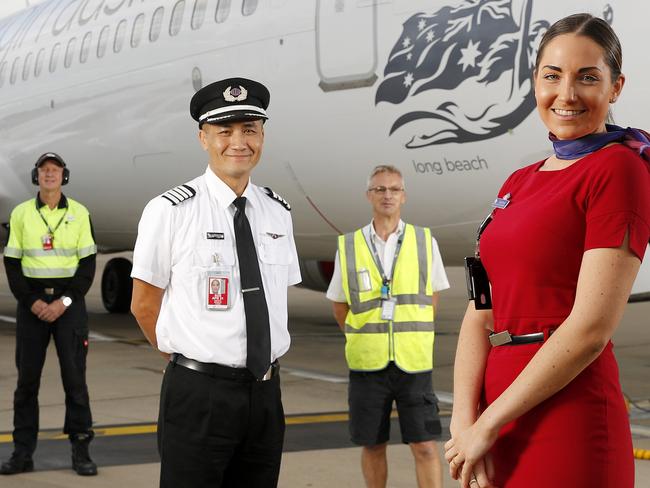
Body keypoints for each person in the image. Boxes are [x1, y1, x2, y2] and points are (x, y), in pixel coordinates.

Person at [444, 13, 650, 488]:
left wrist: (487, 425)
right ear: (534, 81)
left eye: (588, 78)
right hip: (496, 416)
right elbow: (482, 312)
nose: (567, 94)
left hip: (567, 415)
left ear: (616, 88)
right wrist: (464, 425)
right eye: (552, 76)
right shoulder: (519, 182)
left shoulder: (619, 170)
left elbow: (590, 329)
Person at [130, 77, 301, 488]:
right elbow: (144, 304)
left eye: (250, 130)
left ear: (262, 136)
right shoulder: (171, 210)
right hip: (198, 394)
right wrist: (194, 362)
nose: (238, 142)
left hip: (264, 395)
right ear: (203, 138)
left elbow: (277, 301)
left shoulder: (278, 212)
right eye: (225, 131)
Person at [327, 165, 449, 488]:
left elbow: (432, 297)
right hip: (368, 365)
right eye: (380, 189)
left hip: (414, 363)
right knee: (372, 444)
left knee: (424, 445)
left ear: (404, 196)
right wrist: (360, 336)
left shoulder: (424, 241)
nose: (387, 195)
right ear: (369, 196)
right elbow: (339, 304)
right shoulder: (349, 245)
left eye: (394, 189)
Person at [1, 153, 98, 476]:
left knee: (75, 380)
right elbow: (12, 263)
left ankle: (81, 450)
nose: (49, 175)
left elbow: (86, 267)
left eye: (54, 171)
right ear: (36, 176)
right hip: (32, 308)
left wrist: (64, 302)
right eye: (44, 171)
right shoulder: (21, 214)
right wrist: (32, 302)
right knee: (26, 384)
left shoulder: (79, 214)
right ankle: (22, 453)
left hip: (68, 308)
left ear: (64, 176)